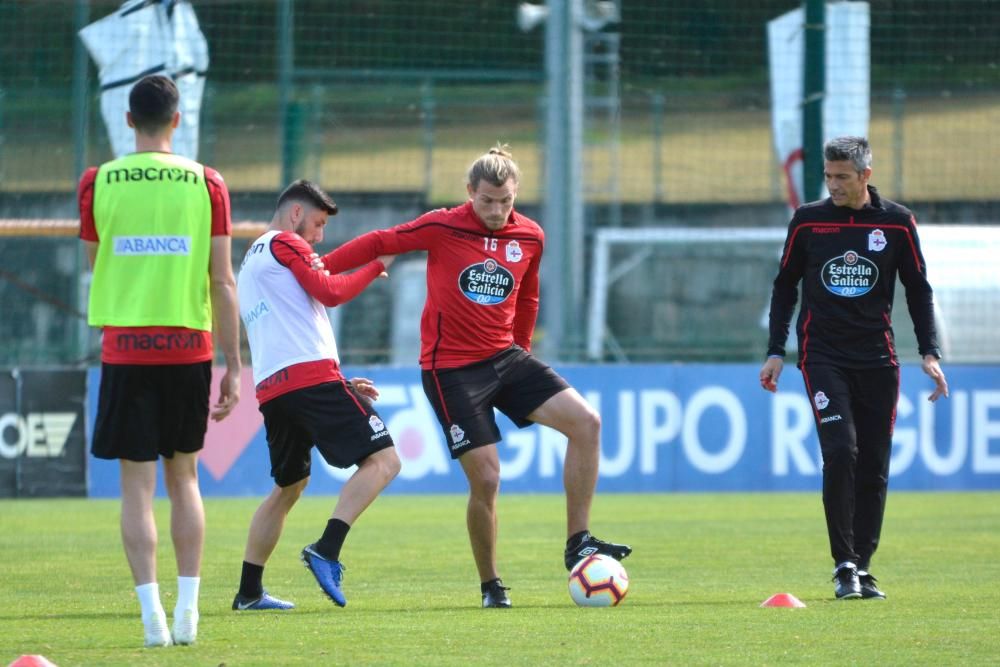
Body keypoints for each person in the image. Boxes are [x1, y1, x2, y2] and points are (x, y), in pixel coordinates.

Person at [318, 144, 631, 608]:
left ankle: (578, 541)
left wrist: (521, 353)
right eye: (487, 201)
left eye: (506, 201)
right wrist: (320, 267)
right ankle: (491, 585)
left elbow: (527, 298)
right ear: (469, 192)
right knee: (486, 480)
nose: (497, 211)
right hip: (451, 372)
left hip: (506, 358)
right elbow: (381, 242)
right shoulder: (442, 225)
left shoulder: (530, 236)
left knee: (587, 423)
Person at [78, 74, 242, 647]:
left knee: (136, 489)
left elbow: (95, 258)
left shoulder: (98, 181)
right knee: (185, 477)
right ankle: (189, 612)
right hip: (188, 348)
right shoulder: (208, 183)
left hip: (126, 348)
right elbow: (222, 281)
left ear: (128, 121)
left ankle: (152, 619)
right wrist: (234, 364)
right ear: (178, 120)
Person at [759, 136, 949, 601]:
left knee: (875, 465)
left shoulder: (897, 224)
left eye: (842, 177)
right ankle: (843, 564)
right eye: (828, 176)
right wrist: (775, 349)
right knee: (842, 451)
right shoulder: (808, 221)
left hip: (878, 359)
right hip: (822, 355)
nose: (833, 184)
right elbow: (785, 287)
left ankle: (863, 566)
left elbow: (918, 289)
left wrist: (929, 351)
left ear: (866, 175)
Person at [233, 179, 401, 611]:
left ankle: (249, 593)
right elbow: (331, 291)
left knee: (288, 487)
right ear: (295, 214)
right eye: (318, 223)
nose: (319, 235)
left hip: (274, 387)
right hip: (308, 380)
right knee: (384, 459)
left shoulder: (255, 258)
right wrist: (376, 266)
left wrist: (342, 384)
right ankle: (327, 548)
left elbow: (296, 316)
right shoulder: (286, 243)